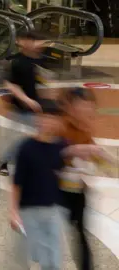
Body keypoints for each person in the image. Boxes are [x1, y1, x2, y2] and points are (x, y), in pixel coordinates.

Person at [10, 99, 107, 270]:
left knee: (52, 260)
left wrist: (93, 154)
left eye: (52, 118)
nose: (48, 122)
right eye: (44, 118)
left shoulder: (60, 144)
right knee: (30, 255)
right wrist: (13, 212)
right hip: (30, 210)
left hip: (53, 209)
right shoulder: (27, 147)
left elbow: (72, 153)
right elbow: (17, 182)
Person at [58, 87, 113, 270]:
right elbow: (50, 156)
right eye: (84, 107)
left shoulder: (84, 128)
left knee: (80, 233)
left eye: (91, 108)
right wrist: (75, 151)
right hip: (55, 191)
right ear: (71, 107)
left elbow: (93, 152)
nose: (89, 112)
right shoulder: (61, 126)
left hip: (77, 191)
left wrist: (105, 161)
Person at [0, 31, 47, 176]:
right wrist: (27, 100)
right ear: (20, 42)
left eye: (32, 40)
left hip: (35, 107)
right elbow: (11, 85)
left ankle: (31, 164)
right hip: (19, 108)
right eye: (27, 40)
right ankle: (4, 162)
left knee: (37, 137)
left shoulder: (38, 60)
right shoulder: (16, 61)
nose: (30, 43)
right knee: (14, 137)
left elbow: (40, 81)